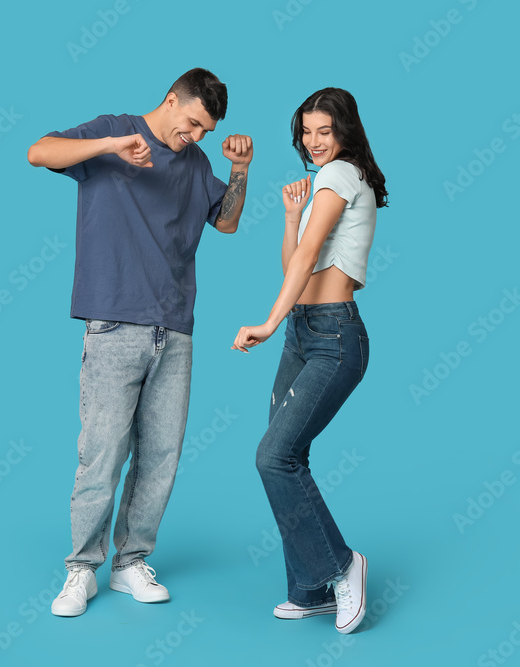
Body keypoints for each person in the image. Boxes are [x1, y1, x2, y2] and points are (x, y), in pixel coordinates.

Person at [28, 68, 253, 617]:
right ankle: (81, 570)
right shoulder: (113, 130)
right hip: (113, 323)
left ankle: (130, 562)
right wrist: (108, 147)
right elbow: (38, 152)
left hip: (174, 329)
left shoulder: (198, 163)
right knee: (101, 455)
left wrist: (239, 169)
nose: (196, 136)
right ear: (171, 100)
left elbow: (225, 223)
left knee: (160, 457)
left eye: (206, 129)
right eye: (192, 123)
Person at [231, 87, 387, 634]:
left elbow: (303, 262)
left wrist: (267, 324)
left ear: (344, 132)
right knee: (287, 455)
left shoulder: (340, 174)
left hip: (334, 336)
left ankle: (344, 567)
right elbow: (295, 266)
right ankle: (309, 589)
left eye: (325, 130)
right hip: (306, 329)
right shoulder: (325, 186)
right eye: (307, 131)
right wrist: (291, 216)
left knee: (274, 456)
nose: (314, 142)